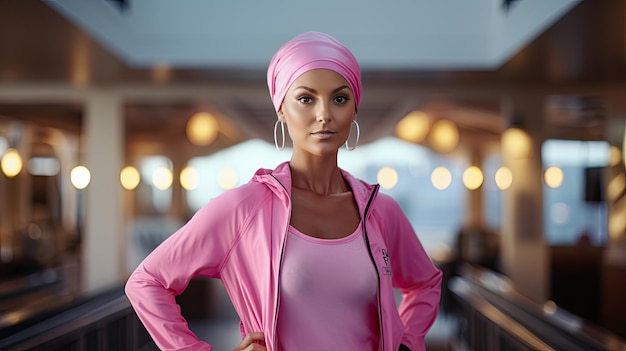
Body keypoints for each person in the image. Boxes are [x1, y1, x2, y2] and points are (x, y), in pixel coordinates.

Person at [125, 31, 443, 351]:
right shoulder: (245, 208)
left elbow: (425, 283)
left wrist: (407, 342)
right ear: (281, 109)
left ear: (354, 110)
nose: (324, 114)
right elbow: (147, 282)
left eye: (340, 98)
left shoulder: (381, 212)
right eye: (306, 99)